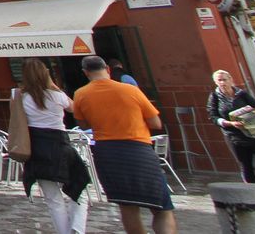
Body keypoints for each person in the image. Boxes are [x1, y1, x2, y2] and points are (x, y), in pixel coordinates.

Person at [72, 55, 176, 234]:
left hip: (108, 152)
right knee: (162, 207)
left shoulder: (80, 94)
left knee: (127, 207)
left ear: (85, 73)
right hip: (138, 149)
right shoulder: (130, 90)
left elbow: (84, 124)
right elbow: (155, 123)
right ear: (108, 69)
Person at [20, 59, 90, 234]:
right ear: (46, 74)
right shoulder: (57, 96)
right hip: (59, 144)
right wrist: (54, 85)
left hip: (37, 148)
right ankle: (77, 228)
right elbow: (74, 108)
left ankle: (65, 232)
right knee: (79, 187)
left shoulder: (23, 98)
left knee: (53, 199)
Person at [206, 69, 255, 187]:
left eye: (224, 80)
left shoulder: (242, 94)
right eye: (219, 80)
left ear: (231, 80)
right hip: (235, 137)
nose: (222, 83)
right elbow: (212, 116)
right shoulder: (214, 97)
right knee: (247, 168)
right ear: (215, 82)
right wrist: (229, 123)